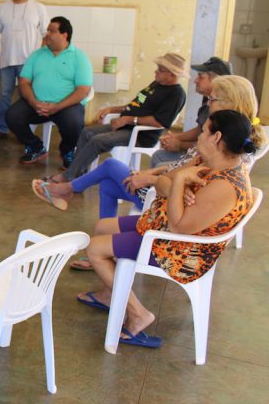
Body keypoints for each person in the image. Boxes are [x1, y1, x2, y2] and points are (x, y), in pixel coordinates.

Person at [76, 110, 255, 347]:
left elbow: (179, 226)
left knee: (94, 249)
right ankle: (112, 292)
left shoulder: (226, 186)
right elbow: (162, 182)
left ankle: (138, 314)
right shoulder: (207, 161)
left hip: (181, 251)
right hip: (162, 226)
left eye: (203, 131)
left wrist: (180, 183)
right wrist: (176, 189)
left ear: (216, 137)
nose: (199, 136)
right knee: (101, 227)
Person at [33, 74, 266, 217]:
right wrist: (150, 172)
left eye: (212, 99)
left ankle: (68, 189)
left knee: (111, 166)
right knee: (106, 183)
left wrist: (150, 179)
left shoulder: (223, 141)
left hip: (168, 198)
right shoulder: (223, 132)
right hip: (165, 184)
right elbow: (186, 166)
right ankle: (105, 246)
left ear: (228, 103)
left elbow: (190, 183)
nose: (208, 103)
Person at [42, 53, 187, 183]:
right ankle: (78, 175)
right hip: (126, 126)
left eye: (160, 70)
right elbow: (135, 105)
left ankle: (68, 177)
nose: (155, 71)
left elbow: (159, 122)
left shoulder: (176, 94)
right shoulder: (156, 84)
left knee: (97, 140)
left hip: (141, 134)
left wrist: (128, 120)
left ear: (172, 74)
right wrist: (112, 109)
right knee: (86, 133)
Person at [4, 16, 93, 165]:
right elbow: (24, 82)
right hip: (36, 103)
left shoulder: (79, 57)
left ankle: (67, 151)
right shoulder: (37, 55)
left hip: (65, 106)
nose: (47, 34)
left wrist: (57, 106)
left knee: (74, 123)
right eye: (47, 31)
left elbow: (83, 90)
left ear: (64, 35)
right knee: (12, 116)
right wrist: (33, 102)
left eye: (52, 31)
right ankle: (35, 147)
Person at [0, 0, 48, 141]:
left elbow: (46, 35)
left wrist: (39, 58)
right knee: (4, 96)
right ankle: (1, 129)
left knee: (26, 98)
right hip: (6, 61)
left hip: (28, 63)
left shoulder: (38, 8)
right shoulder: (3, 7)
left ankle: (24, 133)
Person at [151, 57, 232, 168]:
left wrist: (179, 145)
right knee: (159, 156)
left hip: (207, 161)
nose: (195, 80)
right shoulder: (208, 99)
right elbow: (200, 129)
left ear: (215, 80)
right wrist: (176, 137)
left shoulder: (223, 110)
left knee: (161, 164)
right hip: (198, 153)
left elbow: (213, 147)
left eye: (200, 77)